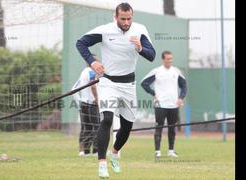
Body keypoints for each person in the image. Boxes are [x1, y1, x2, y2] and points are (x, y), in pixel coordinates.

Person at [76, 2, 156, 178]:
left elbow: (152, 55)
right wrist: (92, 62)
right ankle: (102, 163)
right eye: (123, 19)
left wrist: (140, 48)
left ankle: (114, 153)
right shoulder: (105, 30)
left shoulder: (140, 30)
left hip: (129, 85)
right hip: (108, 82)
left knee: (127, 127)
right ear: (116, 17)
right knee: (107, 119)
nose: (126, 22)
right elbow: (81, 43)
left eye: (129, 18)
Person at [140, 50, 187, 159]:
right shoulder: (157, 71)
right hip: (160, 105)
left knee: (172, 128)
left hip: (173, 105)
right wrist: (154, 93)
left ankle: (171, 151)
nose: (170, 61)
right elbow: (144, 83)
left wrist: (181, 98)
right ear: (163, 59)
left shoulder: (176, 71)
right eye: (168, 59)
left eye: (171, 59)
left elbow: (184, 85)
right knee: (159, 128)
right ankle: (157, 151)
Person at [71, 57, 100, 157]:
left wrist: (79, 103)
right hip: (92, 104)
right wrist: (97, 99)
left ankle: (85, 152)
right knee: (97, 127)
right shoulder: (92, 72)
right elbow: (93, 86)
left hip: (83, 104)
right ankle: (96, 151)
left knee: (86, 128)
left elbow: (73, 89)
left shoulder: (83, 72)